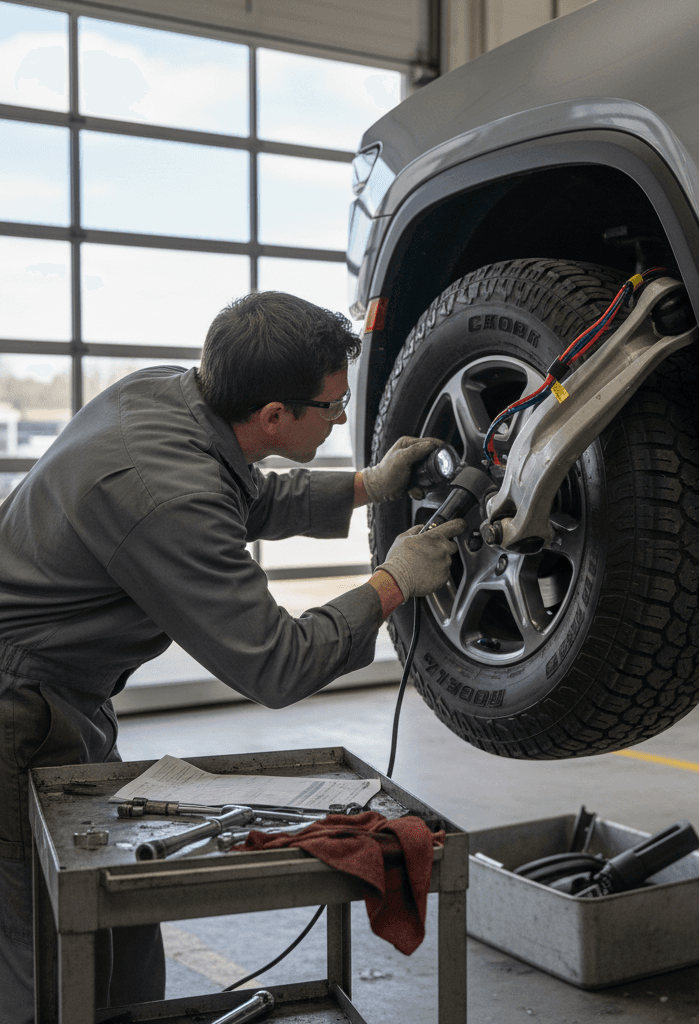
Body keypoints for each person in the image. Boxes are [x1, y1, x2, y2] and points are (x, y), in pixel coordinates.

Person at [0, 291, 464, 1022]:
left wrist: (362, 487)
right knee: (39, 944)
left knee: (117, 912)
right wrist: (391, 584)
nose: (341, 419)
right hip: (16, 705)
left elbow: (244, 494)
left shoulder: (169, 395)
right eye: (334, 409)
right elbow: (276, 665)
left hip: (68, 694)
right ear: (275, 415)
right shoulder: (164, 496)